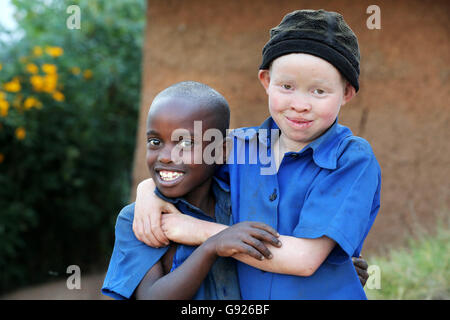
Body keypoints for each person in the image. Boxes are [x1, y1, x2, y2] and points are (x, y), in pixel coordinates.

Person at [133, 9, 380, 299]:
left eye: (319, 91)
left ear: (347, 93)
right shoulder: (237, 147)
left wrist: (196, 230)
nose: (300, 104)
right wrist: (147, 190)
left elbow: (305, 259)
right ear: (265, 80)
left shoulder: (351, 159)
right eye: (286, 87)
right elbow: (183, 170)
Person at [101, 81, 283, 299]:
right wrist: (211, 247)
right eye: (155, 141)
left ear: (220, 151)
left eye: (186, 144)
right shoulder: (141, 220)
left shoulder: (242, 201)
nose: (166, 156)